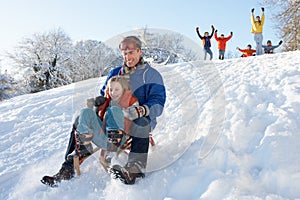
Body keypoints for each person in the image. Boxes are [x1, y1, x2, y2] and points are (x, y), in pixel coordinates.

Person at [41, 36, 166, 186]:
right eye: (125, 54)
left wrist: (142, 110)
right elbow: (105, 94)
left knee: (142, 122)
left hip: (136, 119)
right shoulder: (115, 72)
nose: (128, 57)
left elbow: (158, 101)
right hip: (111, 120)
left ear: (139, 52)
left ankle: (134, 171)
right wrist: (97, 102)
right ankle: (67, 168)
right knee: (80, 118)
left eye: (131, 52)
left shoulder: (151, 75)